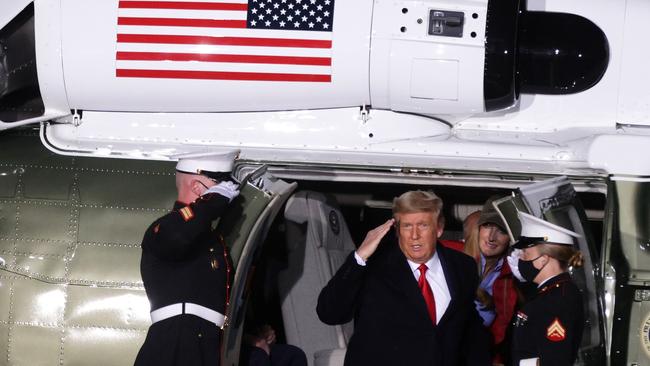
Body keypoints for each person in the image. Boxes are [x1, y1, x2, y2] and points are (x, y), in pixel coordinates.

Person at [316, 190, 490, 366]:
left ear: (439, 229)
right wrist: (359, 257)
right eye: (407, 226)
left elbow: (469, 330)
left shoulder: (462, 266)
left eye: (422, 225)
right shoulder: (373, 267)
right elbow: (329, 313)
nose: (414, 235)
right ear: (397, 230)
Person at [134, 150, 241, 366]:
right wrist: (213, 201)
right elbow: (178, 235)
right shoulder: (163, 229)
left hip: (204, 341)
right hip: (176, 343)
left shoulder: (208, 236)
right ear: (196, 187)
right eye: (217, 183)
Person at [509, 212, 584, 366]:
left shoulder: (558, 299)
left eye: (525, 254)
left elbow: (554, 360)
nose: (520, 259)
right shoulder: (550, 292)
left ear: (543, 260)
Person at [471, 198, 520, 365]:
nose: (492, 237)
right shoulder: (452, 256)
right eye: (487, 226)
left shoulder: (513, 278)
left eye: (502, 230)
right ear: (478, 228)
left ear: (511, 239)